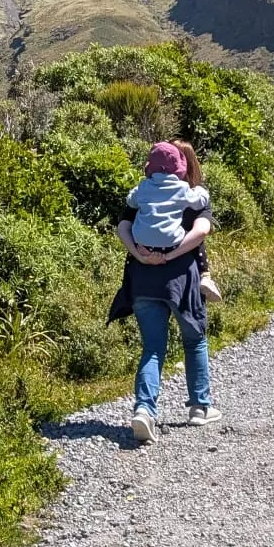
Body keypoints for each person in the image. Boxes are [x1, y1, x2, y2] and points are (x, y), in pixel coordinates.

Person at [108, 137, 224, 443]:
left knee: (152, 349)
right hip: (180, 278)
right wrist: (170, 256)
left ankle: (144, 411)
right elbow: (202, 230)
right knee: (194, 340)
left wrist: (141, 254)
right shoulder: (190, 195)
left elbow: (122, 225)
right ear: (185, 166)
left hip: (143, 278)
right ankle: (200, 407)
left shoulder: (143, 193)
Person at [127, 141, 222, 304]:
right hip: (171, 246)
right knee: (195, 238)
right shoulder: (182, 188)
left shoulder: (143, 187)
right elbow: (200, 220)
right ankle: (205, 275)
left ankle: (128, 289)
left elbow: (129, 203)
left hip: (141, 246)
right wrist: (201, 191)